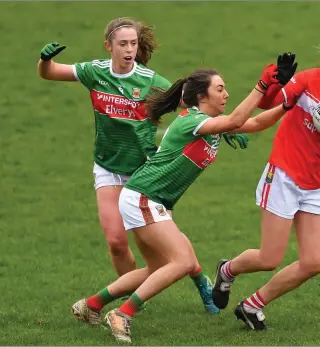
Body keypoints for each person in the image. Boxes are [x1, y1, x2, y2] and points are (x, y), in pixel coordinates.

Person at [71, 55, 298, 343]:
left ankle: (90, 305)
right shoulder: (192, 120)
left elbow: (253, 124)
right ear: (202, 96)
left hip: (146, 198)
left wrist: (287, 104)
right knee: (181, 261)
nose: (226, 94)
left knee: (155, 269)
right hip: (144, 197)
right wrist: (263, 84)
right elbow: (238, 119)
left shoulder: (209, 122)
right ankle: (123, 314)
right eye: (220, 89)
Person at [37, 17, 243, 313]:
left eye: (133, 43)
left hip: (145, 172)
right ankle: (132, 297)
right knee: (117, 243)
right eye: (123, 44)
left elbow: (195, 108)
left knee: (168, 246)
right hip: (108, 167)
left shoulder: (150, 81)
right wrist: (44, 60)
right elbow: (50, 73)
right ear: (109, 46)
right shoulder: (95, 72)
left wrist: (227, 128)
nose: (129, 49)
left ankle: (199, 281)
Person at [211, 3, 320, 330]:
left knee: (314, 262)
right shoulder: (306, 81)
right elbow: (272, 104)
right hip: (284, 175)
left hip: (317, 184)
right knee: (269, 258)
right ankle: (227, 270)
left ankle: (253, 305)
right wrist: (276, 81)